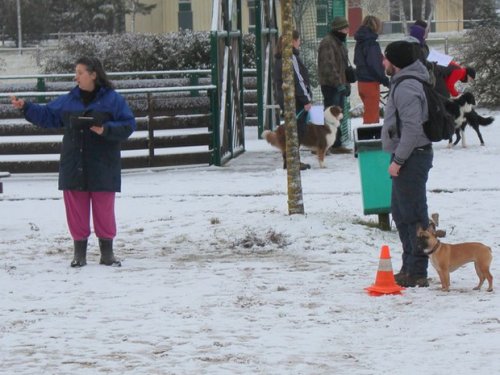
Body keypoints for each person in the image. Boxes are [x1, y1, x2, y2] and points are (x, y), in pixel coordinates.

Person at [11, 56, 136, 268]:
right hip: (73, 163)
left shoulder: (113, 100)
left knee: (104, 209)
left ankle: (107, 253)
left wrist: (105, 129)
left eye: (79, 72)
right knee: (76, 209)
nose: (75, 77)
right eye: (75, 72)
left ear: (93, 74)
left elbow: (129, 124)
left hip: (103, 164)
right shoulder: (69, 100)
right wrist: (26, 107)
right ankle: (80, 254)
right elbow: (47, 115)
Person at [381, 41, 433, 288]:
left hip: (412, 157)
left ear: (396, 62)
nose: (383, 63)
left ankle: (418, 271)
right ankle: (409, 266)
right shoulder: (402, 82)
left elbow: (412, 129)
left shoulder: (407, 87)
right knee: (401, 213)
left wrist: (398, 160)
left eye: (386, 59)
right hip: (406, 156)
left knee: (413, 214)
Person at [274, 30, 313, 170]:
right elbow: (298, 80)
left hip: (284, 98)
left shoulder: (280, 58)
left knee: (292, 129)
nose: (299, 42)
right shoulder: (290, 58)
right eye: (298, 40)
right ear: (292, 41)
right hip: (296, 101)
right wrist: (306, 99)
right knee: (298, 130)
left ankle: (289, 159)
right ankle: (293, 160)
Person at [317, 16, 351, 153]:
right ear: (338, 29)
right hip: (331, 86)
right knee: (330, 116)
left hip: (338, 85)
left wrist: (346, 82)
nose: (347, 31)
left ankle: (336, 143)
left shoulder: (337, 42)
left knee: (337, 116)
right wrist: (339, 84)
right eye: (345, 29)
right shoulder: (328, 43)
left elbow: (341, 66)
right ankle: (327, 144)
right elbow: (328, 66)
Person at [353, 15, 389, 124]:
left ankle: (372, 136)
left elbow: (356, 60)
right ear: (376, 26)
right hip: (371, 83)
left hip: (361, 83)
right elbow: (374, 65)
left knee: (370, 113)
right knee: (372, 116)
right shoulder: (372, 44)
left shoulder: (359, 42)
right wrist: (384, 80)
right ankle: (369, 138)